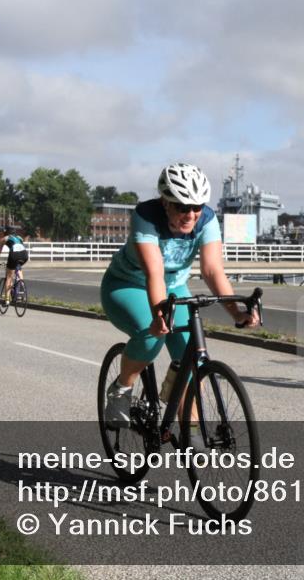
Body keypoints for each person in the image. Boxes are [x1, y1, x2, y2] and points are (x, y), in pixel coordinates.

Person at [100, 163, 259, 432]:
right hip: (128, 284)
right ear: (165, 203)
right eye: (183, 207)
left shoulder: (207, 219)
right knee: (151, 335)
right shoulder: (146, 216)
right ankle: (121, 389)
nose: (191, 214)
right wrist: (158, 315)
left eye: (197, 207)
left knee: (194, 358)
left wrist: (236, 312)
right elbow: (154, 271)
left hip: (174, 287)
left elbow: (211, 270)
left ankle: (191, 428)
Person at [0, 226, 28, 304]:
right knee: (18, 268)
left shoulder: (4, 238)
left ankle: (7, 300)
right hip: (24, 255)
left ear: (6, 232)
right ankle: (21, 285)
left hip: (14, 255)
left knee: (9, 277)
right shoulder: (19, 238)